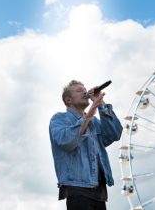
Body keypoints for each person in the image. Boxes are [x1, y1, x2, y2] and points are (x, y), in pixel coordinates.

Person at [49, 80, 123, 210]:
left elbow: (114, 134)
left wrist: (101, 104)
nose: (84, 92)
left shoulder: (95, 122)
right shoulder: (59, 119)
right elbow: (66, 141)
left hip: (99, 190)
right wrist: (88, 115)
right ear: (68, 100)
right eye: (78, 91)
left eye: (85, 90)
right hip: (77, 188)